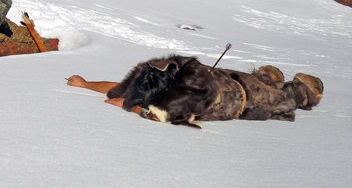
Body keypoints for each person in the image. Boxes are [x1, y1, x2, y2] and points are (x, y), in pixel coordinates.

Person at [66, 54, 323, 128]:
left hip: (230, 85)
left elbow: (157, 111)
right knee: (276, 95)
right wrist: (86, 84)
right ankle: (282, 84)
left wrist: (131, 106)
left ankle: (280, 84)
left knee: (279, 96)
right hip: (237, 92)